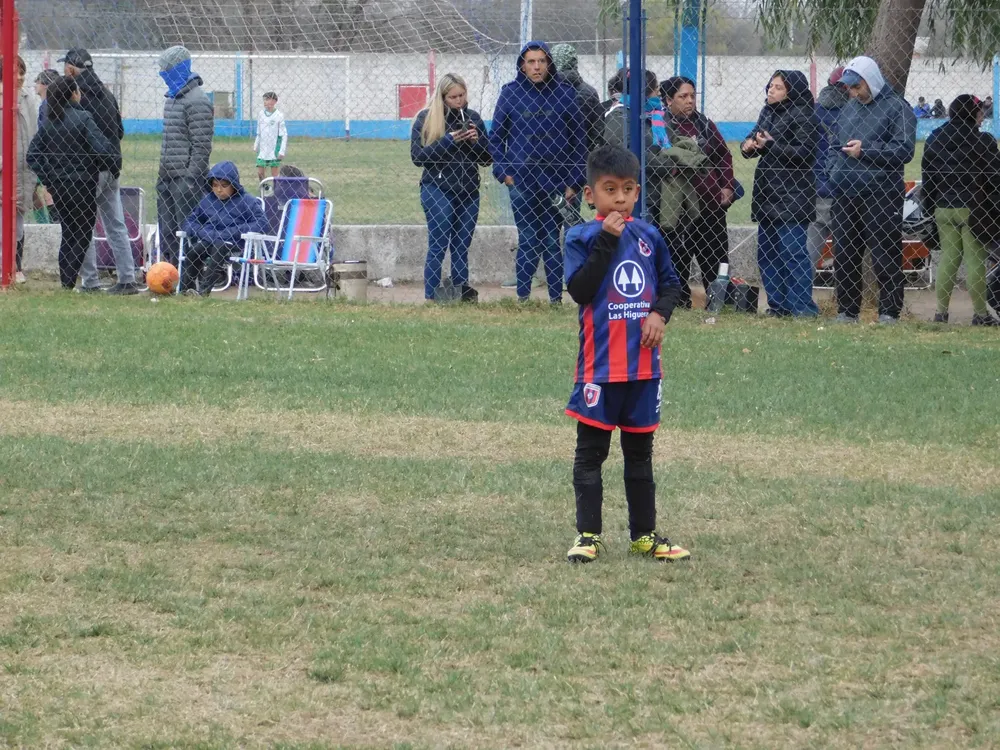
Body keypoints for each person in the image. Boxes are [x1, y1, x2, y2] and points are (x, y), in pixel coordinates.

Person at [562, 144, 689, 564]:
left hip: (642, 370)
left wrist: (659, 315)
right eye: (609, 189)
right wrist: (606, 240)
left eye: (628, 189)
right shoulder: (580, 236)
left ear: (637, 191)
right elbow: (580, 290)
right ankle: (589, 535)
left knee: (639, 454)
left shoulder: (651, 236)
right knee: (591, 453)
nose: (619, 198)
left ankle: (644, 535)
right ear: (590, 195)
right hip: (599, 368)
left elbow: (672, 284)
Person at [489, 41, 586, 304]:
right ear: (522, 64)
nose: (536, 66)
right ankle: (523, 297)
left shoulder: (565, 94)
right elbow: (496, 139)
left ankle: (555, 298)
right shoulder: (510, 94)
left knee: (552, 242)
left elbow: (579, 141)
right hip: (522, 183)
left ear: (549, 63)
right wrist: (504, 174)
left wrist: (574, 182)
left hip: (557, 184)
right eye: (531, 61)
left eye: (541, 61)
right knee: (529, 239)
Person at [827, 56, 916, 324]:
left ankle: (889, 312)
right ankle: (847, 310)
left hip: (880, 194)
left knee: (884, 253)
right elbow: (835, 144)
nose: (853, 92)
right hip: (845, 192)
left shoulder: (897, 108)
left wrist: (866, 150)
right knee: (844, 253)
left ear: (871, 80)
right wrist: (833, 173)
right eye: (850, 88)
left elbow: (904, 150)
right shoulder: (849, 109)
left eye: (856, 86)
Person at [741, 70, 820, 317]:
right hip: (768, 193)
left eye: (777, 87)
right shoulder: (768, 111)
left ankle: (802, 308)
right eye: (770, 86)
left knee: (793, 253)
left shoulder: (804, 114)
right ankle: (778, 306)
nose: (770, 91)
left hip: (792, 195)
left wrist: (771, 145)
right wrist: (748, 146)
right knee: (768, 253)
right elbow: (755, 138)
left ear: (791, 91)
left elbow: (805, 153)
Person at [61, 48, 138, 295]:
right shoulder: (106, 93)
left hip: (89, 169)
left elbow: (75, 132)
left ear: (71, 69)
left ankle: (90, 281)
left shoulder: (76, 96)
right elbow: (120, 131)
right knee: (115, 224)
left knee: (83, 224)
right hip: (112, 166)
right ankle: (127, 279)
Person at [26, 76, 114, 290]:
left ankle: (66, 281)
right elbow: (102, 148)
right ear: (73, 94)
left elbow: (33, 155)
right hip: (83, 184)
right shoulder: (84, 118)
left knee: (68, 232)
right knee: (83, 233)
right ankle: (68, 279)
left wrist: (49, 178)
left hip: (60, 187)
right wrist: (100, 164)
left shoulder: (49, 123)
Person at [410, 73, 490, 302]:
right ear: (443, 97)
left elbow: (486, 159)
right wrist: (448, 141)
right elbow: (418, 157)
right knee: (439, 243)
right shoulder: (426, 119)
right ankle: (432, 297)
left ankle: (460, 295)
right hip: (437, 188)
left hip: (468, 192)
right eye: (453, 97)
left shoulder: (473, 118)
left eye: (462, 95)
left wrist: (476, 142)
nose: (459, 101)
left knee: (461, 246)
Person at [922, 95, 1000, 325]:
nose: (981, 117)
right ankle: (980, 315)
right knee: (975, 259)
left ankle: (941, 313)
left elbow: (929, 178)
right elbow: (995, 177)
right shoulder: (983, 141)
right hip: (974, 208)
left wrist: (930, 207)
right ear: (972, 114)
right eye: (979, 113)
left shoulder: (935, 138)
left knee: (949, 258)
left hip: (943, 207)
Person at [660, 76, 737, 308]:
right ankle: (679, 302)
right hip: (678, 209)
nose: (690, 101)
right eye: (683, 96)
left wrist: (726, 185)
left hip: (710, 206)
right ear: (668, 99)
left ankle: (719, 302)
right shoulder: (662, 126)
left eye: (692, 96)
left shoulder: (704, 124)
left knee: (714, 258)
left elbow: (723, 156)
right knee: (678, 259)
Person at [604, 69, 707, 229]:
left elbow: (672, 138)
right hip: (635, 196)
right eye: (655, 88)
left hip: (659, 194)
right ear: (644, 91)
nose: (659, 92)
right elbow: (629, 152)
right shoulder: (620, 116)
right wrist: (668, 167)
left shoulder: (655, 115)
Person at [156, 46, 214, 267]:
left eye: (166, 69)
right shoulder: (171, 99)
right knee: (167, 229)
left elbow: (201, 146)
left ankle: (193, 273)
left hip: (186, 180)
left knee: (187, 230)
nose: (162, 74)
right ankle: (170, 271)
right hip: (166, 176)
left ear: (178, 69)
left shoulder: (197, 101)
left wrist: (190, 178)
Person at [180, 161, 266, 296]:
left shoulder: (246, 201)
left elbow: (262, 223)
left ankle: (203, 292)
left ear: (234, 185)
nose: (219, 190)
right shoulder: (207, 200)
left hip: (234, 242)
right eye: (215, 185)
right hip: (210, 238)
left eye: (224, 186)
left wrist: (233, 231)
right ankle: (186, 290)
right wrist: (204, 232)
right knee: (194, 251)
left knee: (220, 247)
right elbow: (190, 222)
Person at [0, 55, 37, 285]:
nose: (21, 76)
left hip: (23, 170)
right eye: (16, 71)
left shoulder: (27, 98)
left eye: (22, 71)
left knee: (18, 223)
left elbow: (33, 131)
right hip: (4, 168)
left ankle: (17, 266)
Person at [809, 66, 849, 270]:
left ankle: (798, 293)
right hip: (845, 188)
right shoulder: (852, 113)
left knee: (810, 249)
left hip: (817, 186)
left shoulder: (814, 111)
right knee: (848, 251)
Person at [550, 44, 604, 154]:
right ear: (574, 62)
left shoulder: (544, 89)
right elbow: (597, 130)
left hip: (549, 155)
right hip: (580, 155)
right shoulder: (590, 92)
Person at [254, 91, 287, 182]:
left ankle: (276, 190)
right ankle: (264, 189)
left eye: (268, 99)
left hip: (273, 148)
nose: (265, 102)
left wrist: (282, 150)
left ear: (274, 101)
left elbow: (283, 134)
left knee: (274, 174)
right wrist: (256, 144)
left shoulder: (279, 115)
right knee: (260, 172)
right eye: (264, 100)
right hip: (263, 148)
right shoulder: (261, 114)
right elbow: (259, 131)